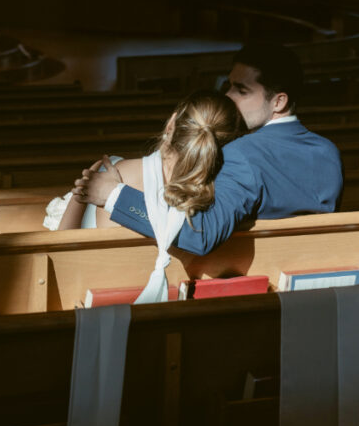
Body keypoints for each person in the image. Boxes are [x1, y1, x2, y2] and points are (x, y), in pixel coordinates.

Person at [73, 43, 343, 256]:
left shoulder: (240, 154)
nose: (228, 97)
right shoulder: (328, 152)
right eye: (228, 85)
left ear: (279, 101)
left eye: (242, 90)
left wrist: (113, 195)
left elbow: (200, 236)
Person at [47, 90, 242, 302]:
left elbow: (60, 251)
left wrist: (86, 195)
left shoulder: (111, 174)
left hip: (95, 306)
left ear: (171, 125)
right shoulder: (219, 204)